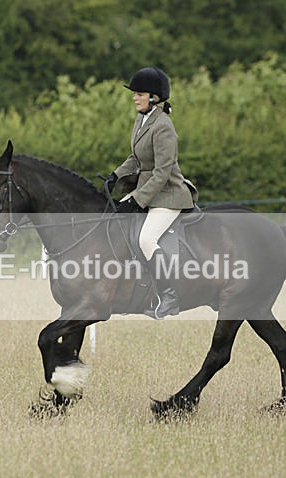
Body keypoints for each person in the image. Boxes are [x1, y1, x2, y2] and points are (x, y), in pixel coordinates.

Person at [109, 66, 198, 319]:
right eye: (135, 93)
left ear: (154, 98)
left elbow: (162, 172)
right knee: (114, 217)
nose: (134, 98)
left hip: (169, 195)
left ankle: (169, 296)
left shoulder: (163, 126)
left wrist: (137, 201)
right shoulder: (142, 120)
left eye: (139, 94)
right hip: (149, 191)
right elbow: (136, 157)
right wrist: (115, 175)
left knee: (146, 239)